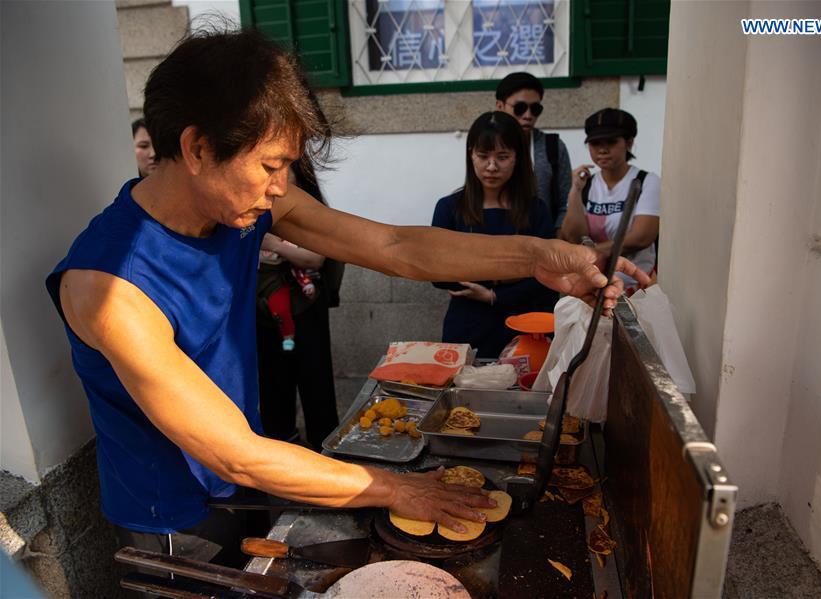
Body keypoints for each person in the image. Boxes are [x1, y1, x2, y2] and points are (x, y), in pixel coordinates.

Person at [46, 29, 647, 567]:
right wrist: (398, 489)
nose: (282, 188)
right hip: (171, 522)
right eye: (270, 165)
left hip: (243, 480)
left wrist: (543, 256)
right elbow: (236, 454)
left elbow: (395, 246)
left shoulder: (241, 205)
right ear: (199, 148)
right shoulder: (110, 287)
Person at [432, 111, 558, 358]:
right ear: (471, 154)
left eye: (502, 157)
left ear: (517, 158)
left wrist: (493, 294)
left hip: (525, 328)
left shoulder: (536, 210)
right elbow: (437, 273)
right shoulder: (449, 208)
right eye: (483, 156)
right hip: (467, 326)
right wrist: (516, 271)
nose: (491, 166)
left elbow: (545, 276)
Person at [256, 155, 340, 450]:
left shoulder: (313, 213)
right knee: (273, 382)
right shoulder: (254, 210)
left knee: (315, 378)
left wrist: (272, 243)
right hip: (265, 310)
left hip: (306, 308)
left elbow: (315, 257)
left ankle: (325, 445)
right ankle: (282, 444)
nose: (275, 181)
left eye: (283, 172)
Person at [561, 108, 660, 293]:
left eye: (611, 142)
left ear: (629, 143)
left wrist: (590, 253)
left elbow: (641, 237)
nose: (602, 150)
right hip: (594, 285)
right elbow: (573, 236)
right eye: (595, 143)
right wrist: (575, 191)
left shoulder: (646, 181)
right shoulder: (587, 184)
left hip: (635, 287)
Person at [495, 72, 572, 232]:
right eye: (520, 108)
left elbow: (566, 202)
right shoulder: (488, 145)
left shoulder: (553, 146)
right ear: (500, 106)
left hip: (543, 241)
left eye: (535, 109)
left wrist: (555, 240)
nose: (528, 116)